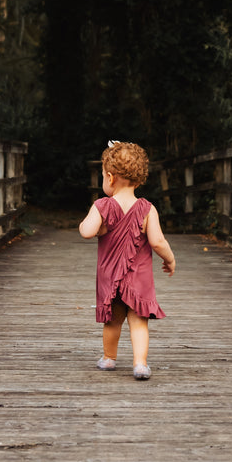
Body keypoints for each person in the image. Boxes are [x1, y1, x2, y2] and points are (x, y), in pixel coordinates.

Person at [78, 140, 176, 380]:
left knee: (113, 322)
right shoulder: (147, 209)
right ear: (139, 179)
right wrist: (170, 259)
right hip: (138, 279)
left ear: (110, 178)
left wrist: (92, 223)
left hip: (110, 278)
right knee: (139, 322)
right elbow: (157, 242)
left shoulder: (101, 205)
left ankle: (109, 359)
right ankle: (140, 364)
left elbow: (86, 231)